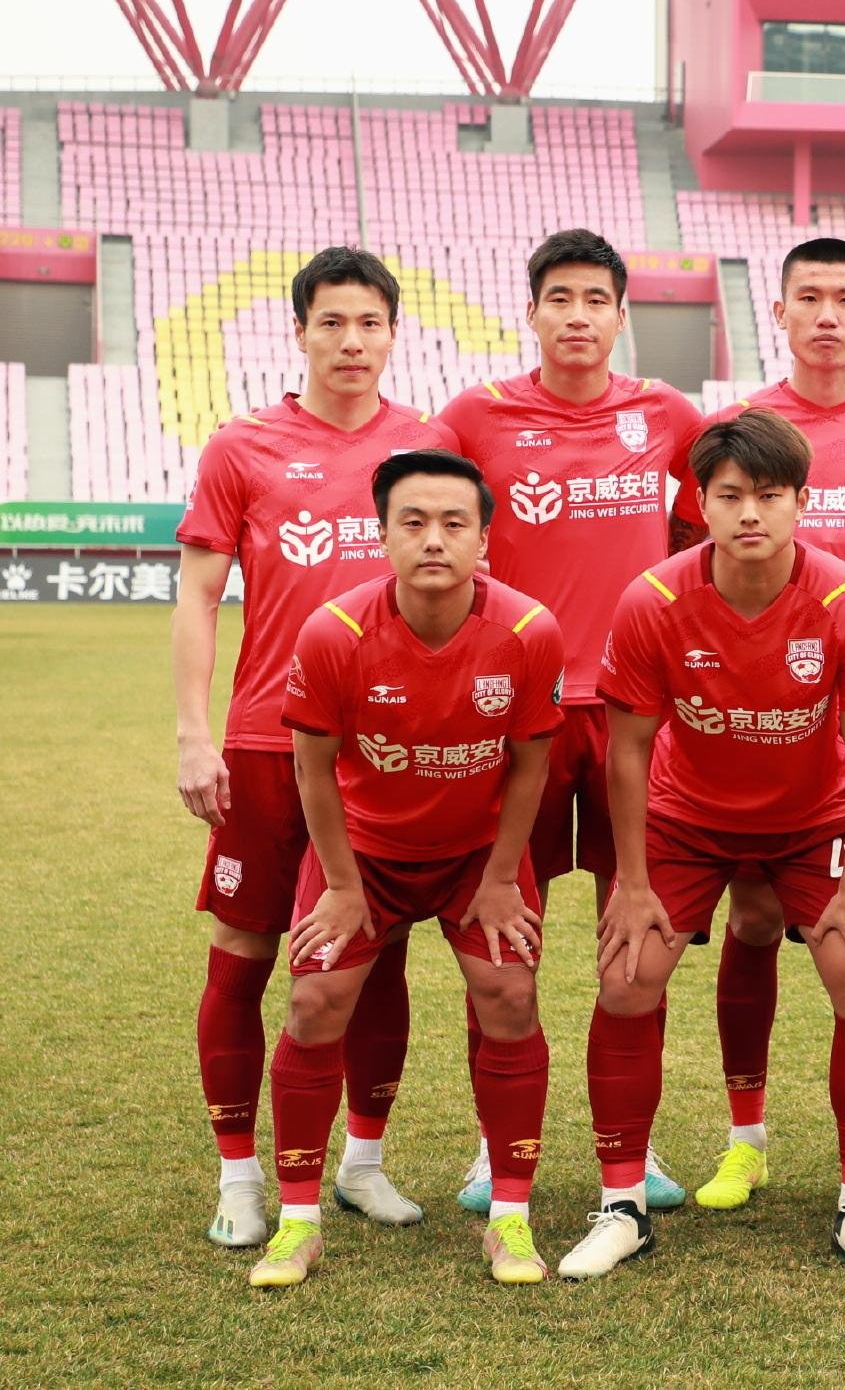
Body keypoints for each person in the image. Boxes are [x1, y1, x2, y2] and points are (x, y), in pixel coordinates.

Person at [561, 410, 845, 1280]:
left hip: (813, 819)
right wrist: (631, 882)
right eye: (729, 496)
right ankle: (621, 1206)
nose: (749, 513)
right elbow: (629, 749)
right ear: (701, 504)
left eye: (769, 495)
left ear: (801, 502)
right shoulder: (654, 601)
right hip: (687, 817)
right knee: (627, 979)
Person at [174, 247, 450, 1248]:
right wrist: (193, 732)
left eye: (369, 322)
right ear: (299, 331)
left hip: (387, 753)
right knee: (244, 956)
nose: (350, 341)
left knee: (376, 960)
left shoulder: (427, 444)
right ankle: (239, 1177)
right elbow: (199, 595)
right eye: (330, 321)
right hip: (264, 742)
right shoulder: (242, 447)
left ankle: (363, 1166)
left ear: (393, 333)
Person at [665, 237, 845, 1213]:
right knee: (750, 916)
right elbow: (688, 548)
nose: (827, 315)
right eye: (809, 298)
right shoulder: (735, 427)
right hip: (749, 717)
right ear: (777, 312)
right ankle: (745, 1140)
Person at [249, 450, 563, 1288]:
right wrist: (341, 885)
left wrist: (502, 877)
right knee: (316, 1001)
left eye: (455, 524)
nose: (433, 540)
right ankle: (298, 1224)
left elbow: (530, 763)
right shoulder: (335, 633)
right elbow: (313, 768)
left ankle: (510, 1220)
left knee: (510, 995)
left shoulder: (529, 631)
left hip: (477, 854)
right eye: (413, 523)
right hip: (363, 853)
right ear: (382, 535)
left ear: (484, 540)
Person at [435, 227, 698, 1214]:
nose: (577, 316)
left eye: (595, 299)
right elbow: (432, 526)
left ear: (621, 315)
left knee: (635, 930)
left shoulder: (665, 413)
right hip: (518, 714)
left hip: (637, 713)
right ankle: (490, 1143)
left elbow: (698, 529)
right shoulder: (475, 415)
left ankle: (635, 1141)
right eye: (560, 298)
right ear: (532, 311)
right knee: (504, 930)